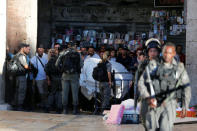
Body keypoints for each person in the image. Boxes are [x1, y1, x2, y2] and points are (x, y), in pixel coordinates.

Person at [138, 42, 191, 131]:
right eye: (150, 51)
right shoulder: (144, 65)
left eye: (155, 51)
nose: (152, 53)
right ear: (147, 52)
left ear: (159, 52)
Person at [56, 42, 83, 115]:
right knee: (75, 93)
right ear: (74, 46)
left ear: (68, 46)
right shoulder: (78, 53)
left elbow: (56, 64)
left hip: (65, 75)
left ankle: (64, 110)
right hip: (74, 75)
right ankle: (75, 110)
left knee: (64, 93)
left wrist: (62, 70)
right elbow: (81, 64)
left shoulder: (63, 53)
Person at [30, 44, 48, 110]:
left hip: (45, 77)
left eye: (41, 49)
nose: (40, 50)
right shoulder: (34, 58)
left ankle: (45, 104)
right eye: (39, 49)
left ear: (43, 50)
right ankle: (43, 104)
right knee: (41, 92)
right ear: (37, 50)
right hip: (38, 78)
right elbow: (30, 64)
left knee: (45, 92)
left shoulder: (46, 56)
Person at [45, 49, 62, 113]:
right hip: (60, 78)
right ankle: (59, 108)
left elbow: (46, 70)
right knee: (59, 93)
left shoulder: (51, 60)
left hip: (53, 78)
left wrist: (48, 79)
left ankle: (48, 107)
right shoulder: (60, 60)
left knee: (52, 93)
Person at [14, 43, 30, 110]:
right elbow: (26, 66)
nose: (29, 50)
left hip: (17, 76)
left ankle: (16, 105)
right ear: (23, 48)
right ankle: (19, 106)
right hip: (21, 77)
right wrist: (29, 68)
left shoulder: (16, 55)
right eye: (28, 49)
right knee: (22, 91)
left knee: (17, 91)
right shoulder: (22, 56)